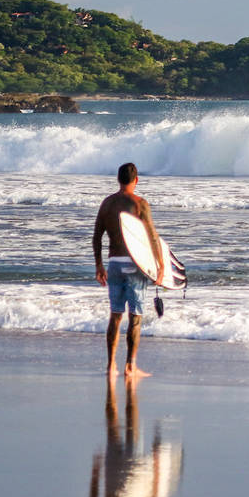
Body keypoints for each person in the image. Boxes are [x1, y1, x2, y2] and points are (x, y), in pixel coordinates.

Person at [93, 162, 164, 378]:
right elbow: (151, 235)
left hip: (114, 263)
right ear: (136, 180)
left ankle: (111, 365)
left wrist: (99, 265)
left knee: (115, 315)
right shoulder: (140, 204)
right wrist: (159, 266)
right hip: (135, 265)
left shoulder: (107, 203)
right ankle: (131, 366)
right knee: (135, 316)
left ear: (118, 179)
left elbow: (97, 236)